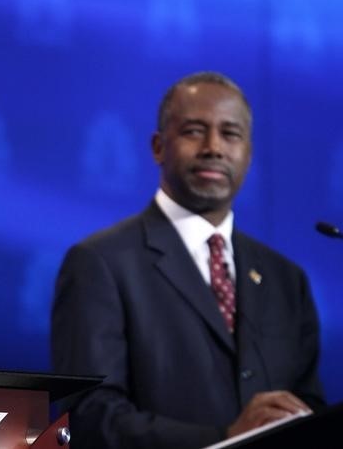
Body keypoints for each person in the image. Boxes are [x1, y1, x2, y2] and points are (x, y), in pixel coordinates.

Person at [51, 71, 325, 448]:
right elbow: (91, 415)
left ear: (249, 152)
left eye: (231, 134)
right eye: (194, 131)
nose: (214, 147)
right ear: (158, 146)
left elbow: (308, 406)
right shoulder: (100, 263)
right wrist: (222, 440)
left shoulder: (285, 279)